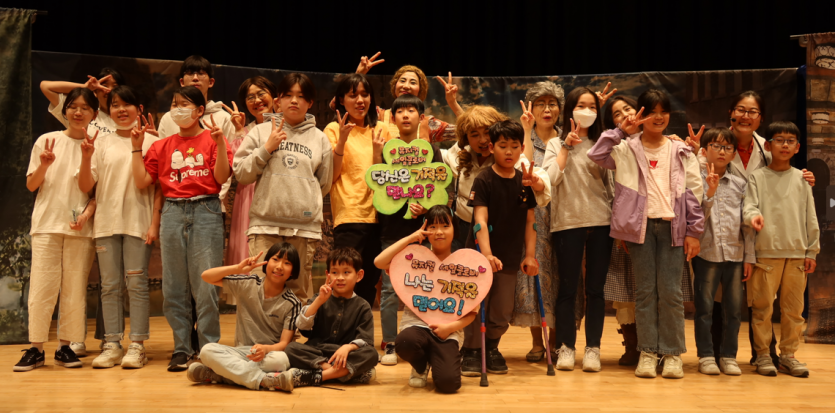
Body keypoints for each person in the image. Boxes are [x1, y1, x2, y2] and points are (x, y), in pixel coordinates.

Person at [588, 89, 705, 379]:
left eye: (663, 111)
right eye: (651, 112)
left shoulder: (680, 149)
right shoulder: (626, 147)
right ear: (641, 114)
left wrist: (694, 231)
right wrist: (620, 131)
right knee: (644, 293)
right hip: (638, 230)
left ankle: (672, 354)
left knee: (671, 293)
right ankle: (648, 352)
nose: (658, 117)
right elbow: (596, 154)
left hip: (672, 228)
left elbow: (694, 192)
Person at [700, 91, 815, 366]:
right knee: (718, 299)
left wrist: (805, 176)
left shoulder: (769, 145)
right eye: (741, 110)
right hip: (719, 231)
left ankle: (763, 354)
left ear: (760, 118)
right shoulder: (715, 143)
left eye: (752, 112)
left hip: (759, 237)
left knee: (758, 301)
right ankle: (715, 354)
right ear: (731, 113)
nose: (745, 116)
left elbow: (783, 174)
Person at [131, 85, 233, 371]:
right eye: (174, 104)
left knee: (206, 285)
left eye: (184, 104)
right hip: (173, 211)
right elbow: (142, 181)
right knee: (174, 286)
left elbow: (221, 177)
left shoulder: (213, 138)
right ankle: (182, 348)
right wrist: (136, 147)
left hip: (206, 209)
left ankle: (209, 348)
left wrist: (220, 144)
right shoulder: (162, 145)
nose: (177, 109)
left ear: (200, 110)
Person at [40, 68, 131, 355]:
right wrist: (84, 87)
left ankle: (109, 338)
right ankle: (74, 338)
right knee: (78, 280)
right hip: (78, 205)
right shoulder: (83, 116)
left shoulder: (119, 120)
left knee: (109, 280)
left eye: (112, 88)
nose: (106, 91)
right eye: (103, 87)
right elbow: (46, 85)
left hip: (109, 203)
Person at [76, 85, 161, 369]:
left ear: (139, 109)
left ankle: (137, 345)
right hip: (106, 224)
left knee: (136, 284)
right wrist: (86, 157)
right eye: (115, 105)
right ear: (108, 110)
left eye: (127, 104)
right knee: (109, 286)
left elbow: (159, 188)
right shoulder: (100, 143)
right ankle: (111, 344)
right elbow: (86, 186)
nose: (121, 110)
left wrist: (154, 223)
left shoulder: (153, 142)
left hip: (139, 222)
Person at [15, 88, 99, 372]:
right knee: (42, 287)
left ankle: (65, 347)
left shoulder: (96, 145)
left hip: (79, 228)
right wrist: (44, 165)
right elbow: (31, 185)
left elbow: (87, 188)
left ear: (94, 114)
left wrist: (86, 157)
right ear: (65, 111)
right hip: (46, 224)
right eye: (73, 106)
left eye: (85, 108)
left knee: (74, 288)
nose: (78, 112)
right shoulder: (46, 140)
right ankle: (36, 348)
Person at [233, 73, 332, 304]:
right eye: (288, 95)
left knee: (297, 294)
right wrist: (266, 148)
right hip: (265, 227)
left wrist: (303, 200)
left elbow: (323, 183)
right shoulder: (260, 132)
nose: (294, 101)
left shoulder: (320, 139)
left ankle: (292, 330)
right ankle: (261, 331)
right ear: (278, 100)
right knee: (260, 291)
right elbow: (242, 173)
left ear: (310, 103)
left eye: (301, 96)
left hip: (304, 230)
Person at [542, 87, 614, 372]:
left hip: (601, 222)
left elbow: (611, 186)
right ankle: (566, 347)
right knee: (567, 289)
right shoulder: (554, 143)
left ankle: (593, 348)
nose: (587, 111)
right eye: (581, 105)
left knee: (596, 290)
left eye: (592, 106)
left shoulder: (601, 143)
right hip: (567, 223)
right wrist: (566, 147)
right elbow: (550, 180)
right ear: (569, 109)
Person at [461, 120, 542, 376]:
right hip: (480, 256)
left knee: (502, 308)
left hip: (509, 256)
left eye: (514, 146)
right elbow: (480, 220)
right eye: (503, 145)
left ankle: (491, 347)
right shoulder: (484, 179)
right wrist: (486, 254)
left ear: (522, 149)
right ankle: (471, 350)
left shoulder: (524, 182)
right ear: (491, 148)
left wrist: (530, 256)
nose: (509, 151)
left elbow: (530, 222)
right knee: (476, 304)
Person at [744, 121, 819, 378]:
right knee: (762, 308)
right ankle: (763, 354)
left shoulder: (802, 178)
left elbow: (811, 216)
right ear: (768, 146)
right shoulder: (757, 177)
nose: (784, 145)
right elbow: (749, 206)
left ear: (797, 147)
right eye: (779, 140)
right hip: (766, 253)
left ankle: (788, 355)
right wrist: (752, 217)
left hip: (797, 254)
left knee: (793, 311)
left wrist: (812, 250)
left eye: (790, 141)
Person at [375, 206, 477, 392]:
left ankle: (441, 358)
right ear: (425, 229)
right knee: (404, 342)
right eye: (433, 227)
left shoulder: (464, 265)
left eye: (445, 226)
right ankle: (420, 366)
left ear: (454, 229)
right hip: (416, 327)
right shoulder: (413, 259)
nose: (439, 232)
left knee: (449, 384)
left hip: (447, 332)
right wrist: (411, 238)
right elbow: (379, 262)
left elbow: (472, 312)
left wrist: (449, 328)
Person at [376, 95, 442, 365]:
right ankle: (390, 342)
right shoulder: (386, 150)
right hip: (392, 232)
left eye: (411, 110)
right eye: (400, 111)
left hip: (424, 233)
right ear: (392, 118)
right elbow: (378, 188)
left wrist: (426, 208)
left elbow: (441, 191)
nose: (405, 115)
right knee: (390, 290)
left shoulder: (432, 151)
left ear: (421, 117)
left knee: (425, 288)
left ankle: (426, 340)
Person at [186, 244, 303, 392]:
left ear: (293, 271)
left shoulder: (293, 303)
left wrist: (265, 349)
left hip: (268, 355)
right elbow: (206, 276)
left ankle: (219, 375)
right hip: (242, 352)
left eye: (287, 263)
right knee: (206, 350)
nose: (279, 266)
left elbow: (284, 344)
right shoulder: (248, 284)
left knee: (281, 360)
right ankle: (264, 380)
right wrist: (238, 268)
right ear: (266, 262)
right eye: (275, 259)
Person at [441, 106, 550, 251]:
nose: (483, 140)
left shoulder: (507, 156)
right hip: (461, 229)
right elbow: (439, 157)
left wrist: (536, 182)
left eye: (487, 132)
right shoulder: (459, 153)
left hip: (494, 230)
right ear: (466, 137)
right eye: (474, 135)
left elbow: (537, 176)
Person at [692, 127, 754, 376]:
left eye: (727, 147)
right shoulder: (694, 180)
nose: (721, 151)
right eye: (716, 146)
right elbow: (694, 220)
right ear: (704, 151)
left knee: (734, 309)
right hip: (706, 253)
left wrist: (749, 257)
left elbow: (746, 224)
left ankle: (729, 356)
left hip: (736, 254)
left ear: (733, 154)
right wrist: (709, 192)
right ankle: (706, 355)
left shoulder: (740, 184)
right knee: (704, 308)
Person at [325, 73, 390, 309]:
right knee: (343, 281)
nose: (360, 100)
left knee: (369, 282)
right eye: (353, 95)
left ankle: (360, 329)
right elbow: (331, 177)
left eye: (365, 94)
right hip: (349, 215)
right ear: (341, 100)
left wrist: (377, 155)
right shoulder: (334, 129)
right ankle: (338, 329)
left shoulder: (382, 128)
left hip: (380, 216)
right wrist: (342, 140)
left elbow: (389, 178)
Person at [512, 81, 565, 363]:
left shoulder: (567, 139)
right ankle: (537, 342)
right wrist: (527, 130)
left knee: (560, 276)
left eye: (552, 103)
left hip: (564, 214)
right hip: (533, 217)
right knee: (534, 275)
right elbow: (524, 167)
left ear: (560, 108)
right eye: (540, 103)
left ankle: (556, 342)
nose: (547, 109)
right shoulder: (524, 137)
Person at [281, 248, 378, 387]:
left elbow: (366, 341)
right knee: (291, 348)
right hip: (317, 351)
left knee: (371, 354)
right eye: (335, 272)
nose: (340, 278)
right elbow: (302, 326)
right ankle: (341, 373)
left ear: (359, 275)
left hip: (344, 355)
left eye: (346, 272)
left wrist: (348, 347)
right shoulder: (319, 298)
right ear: (328, 275)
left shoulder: (363, 306)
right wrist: (319, 301)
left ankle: (316, 376)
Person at [222, 76, 279, 272]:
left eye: (261, 94)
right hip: (248, 196)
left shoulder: (289, 126)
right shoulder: (245, 131)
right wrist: (239, 131)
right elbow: (236, 167)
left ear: (275, 96)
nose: (257, 101)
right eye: (250, 97)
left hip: (278, 195)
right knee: (247, 251)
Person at [156, 55, 235, 141]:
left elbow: (232, 149)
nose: (195, 78)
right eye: (190, 73)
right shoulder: (169, 118)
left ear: (211, 82)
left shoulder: (224, 118)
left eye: (201, 73)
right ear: (182, 82)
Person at [40, 68, 125, 137]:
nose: (109, 90)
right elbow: (45, 87)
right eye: (104, 86)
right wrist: (85, 87)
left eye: (115, 87)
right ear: (95, 91)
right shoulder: (81, 112)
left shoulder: (126, 115)